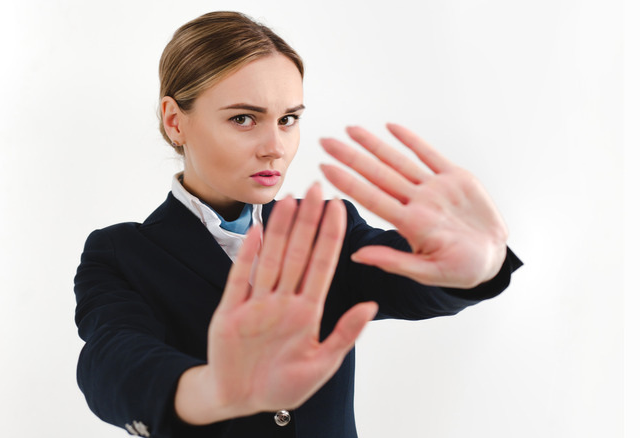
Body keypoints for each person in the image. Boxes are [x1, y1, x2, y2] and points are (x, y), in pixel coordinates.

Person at [73, 11, 522, 438]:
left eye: (288, 119)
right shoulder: (120, 254)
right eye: (243, 118)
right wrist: (210, 391)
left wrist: (474, 267)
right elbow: (113, 360)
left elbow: (408, 282)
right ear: (175, 121)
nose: (275, 147)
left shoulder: (327, 227)